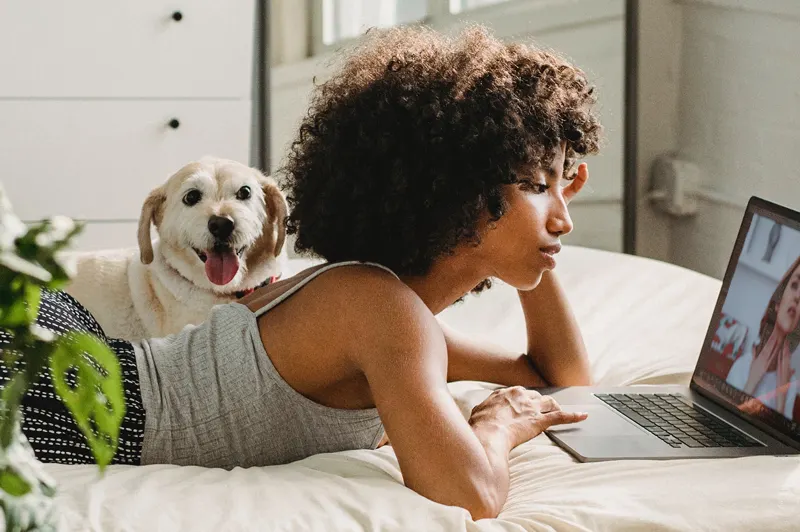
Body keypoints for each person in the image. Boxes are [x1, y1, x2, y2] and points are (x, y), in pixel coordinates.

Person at [0, 26, 602, 519]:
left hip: (78, 363)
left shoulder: (386, 312)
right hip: (72, 396)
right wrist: (497, 424)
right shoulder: (380, 311)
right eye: (534, 185)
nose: (564, 219)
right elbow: (472, 493)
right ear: (460, 196)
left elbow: (562, 378)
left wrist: (534, 232)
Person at [726, 255, 800, 419]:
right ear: (778, 302)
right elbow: (726, 422)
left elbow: (779, 442)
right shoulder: (743, 367)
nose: (798, 296)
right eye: (795, 285)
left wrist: (781, 397)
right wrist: (752, 383)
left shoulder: (790, 385)